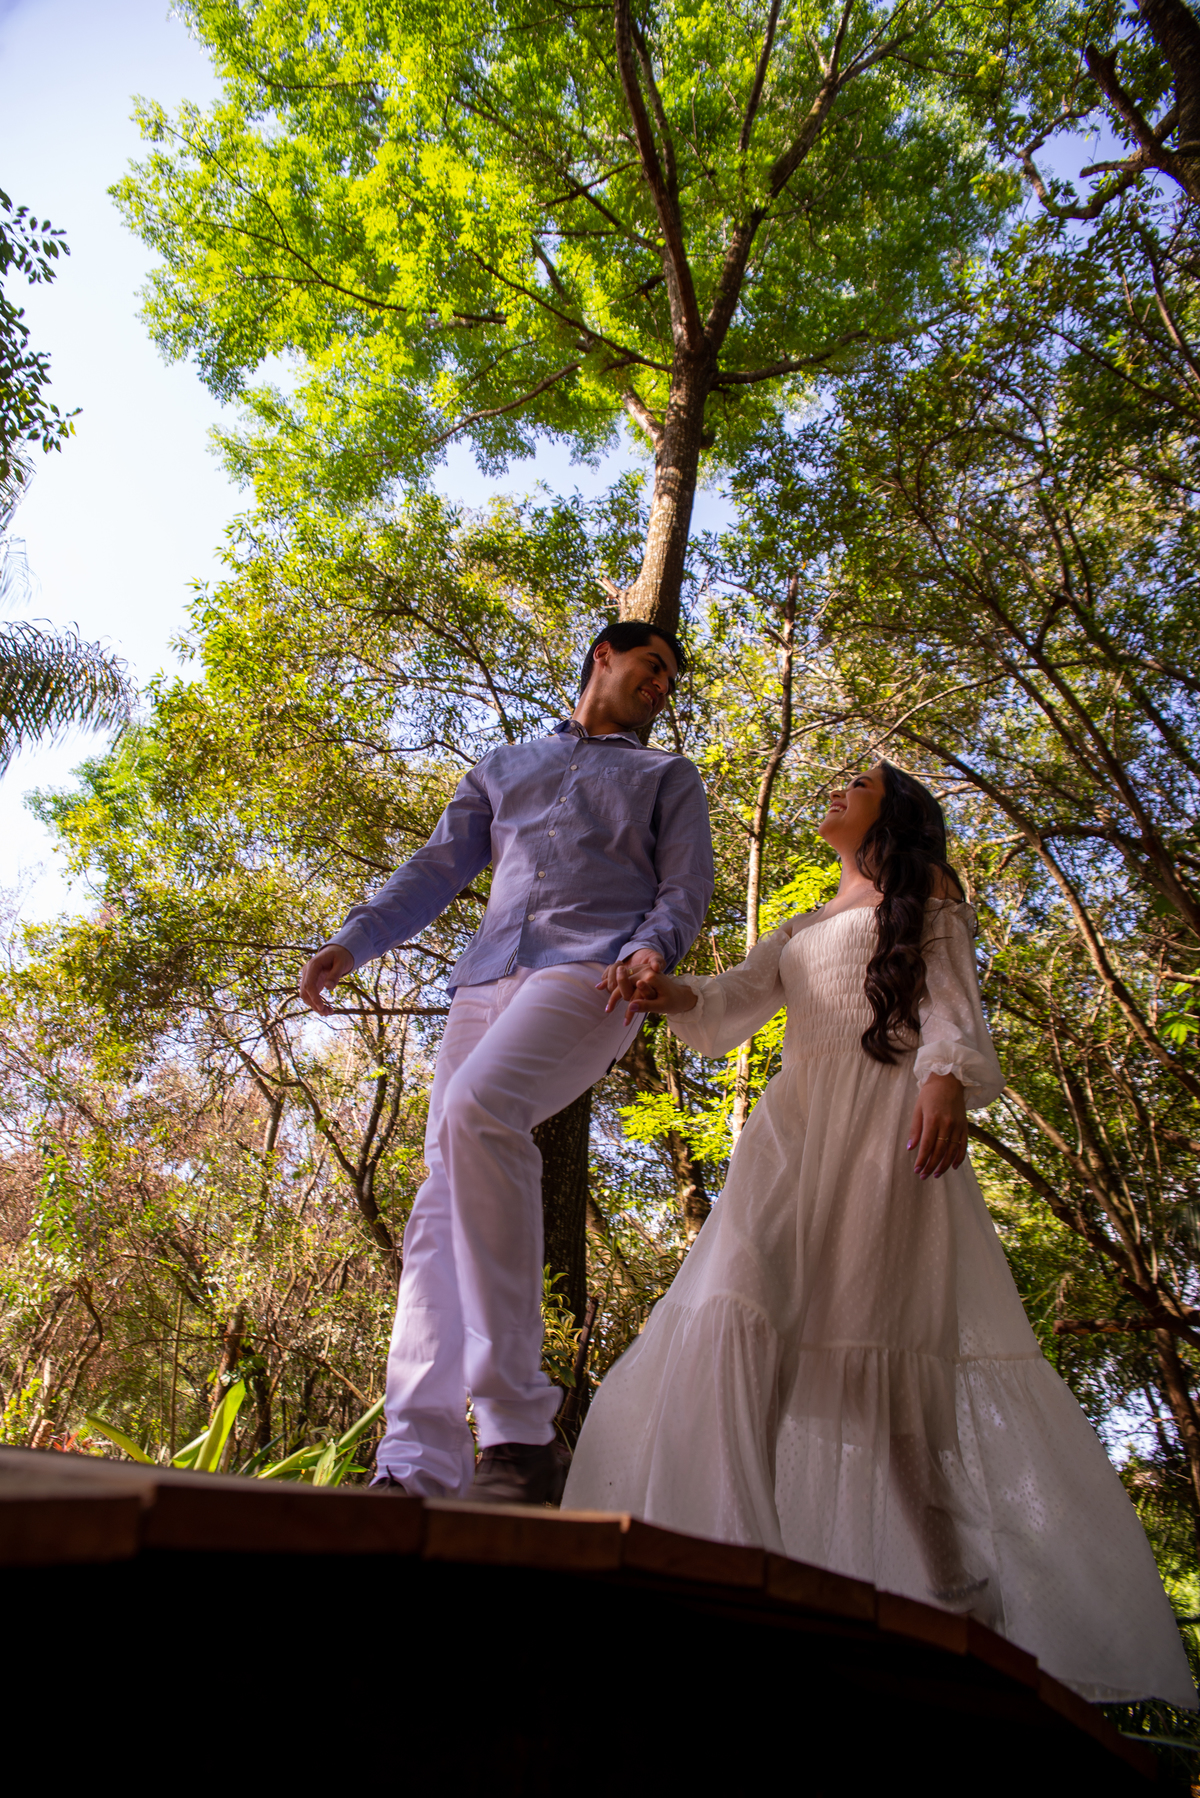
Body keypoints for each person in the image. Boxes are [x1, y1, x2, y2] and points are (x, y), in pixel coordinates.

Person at [565, 762, 1194, 1707]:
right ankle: (739, 1569)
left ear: (892, 812)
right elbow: (734, 1000)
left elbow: (949, 1000)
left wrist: (944, 1079)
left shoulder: (925, 890)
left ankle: (961, 1593)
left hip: (883, 1133)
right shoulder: (804, 923)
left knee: (891, 1379)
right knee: (734, 1306)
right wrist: (668, 993)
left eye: (857, 782)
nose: (836, 789)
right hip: (791, 1137)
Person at [299, 622, 714, 1505]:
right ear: (604, 656)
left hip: (592, 971)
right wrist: (354, 940)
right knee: (439, 1201)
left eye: (670, 680)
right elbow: (436, 867)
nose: (661, 685)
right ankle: (416, 1462)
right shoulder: (504, 765)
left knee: (480, 1109)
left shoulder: (666, 776)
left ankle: (520, 1430)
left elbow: (684, 887)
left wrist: (649, 950)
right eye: (653, 665)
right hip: (484, 980)